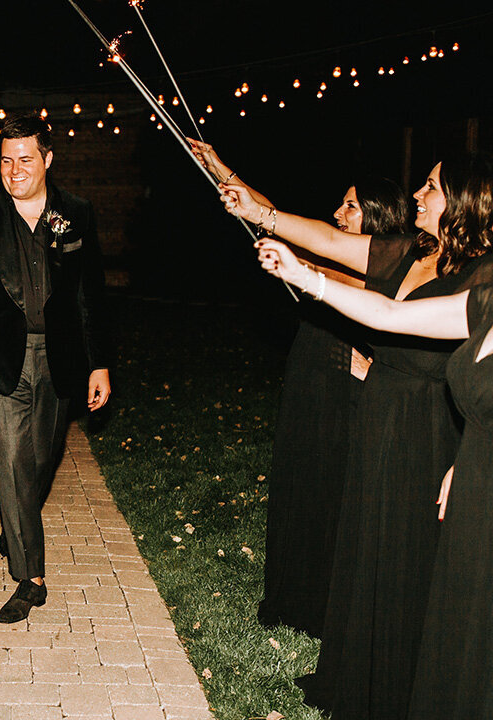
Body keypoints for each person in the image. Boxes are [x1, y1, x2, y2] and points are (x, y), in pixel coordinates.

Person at [223, 153, 493, 719]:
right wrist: (264, 219)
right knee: (366, 539)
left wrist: (306, 276)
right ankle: (354, 671)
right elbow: (328, 241)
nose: (418, 192)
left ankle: (397, 682)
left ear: (464, 203)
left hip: (430, 425)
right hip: (378, 409)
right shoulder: (407, 251)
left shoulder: (482, 277)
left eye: (432, 186)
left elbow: (397, 322)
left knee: (408, 553)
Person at [189, 138, 411, 636]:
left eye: (351, 206)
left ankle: (326, 606)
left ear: (376, 216)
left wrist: (295, 262)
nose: (338, 212)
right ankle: (292, 595)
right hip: (311, 374)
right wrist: (223, 168)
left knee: (333, 494)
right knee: (299, 481)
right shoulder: (350, 253)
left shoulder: (387, 267)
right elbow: (275, 216)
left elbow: (311, 252)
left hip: (347, 392)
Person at [0, 113, 110, 624]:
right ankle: (30, 576)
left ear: (48, 159)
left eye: (26, 159)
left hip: (62, 360)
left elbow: (91, 295)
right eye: (6, 160)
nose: (14, 170)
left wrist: (99, 363)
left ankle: (18, 518)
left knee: (42, 459)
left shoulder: (76, 213)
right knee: (12, 461)